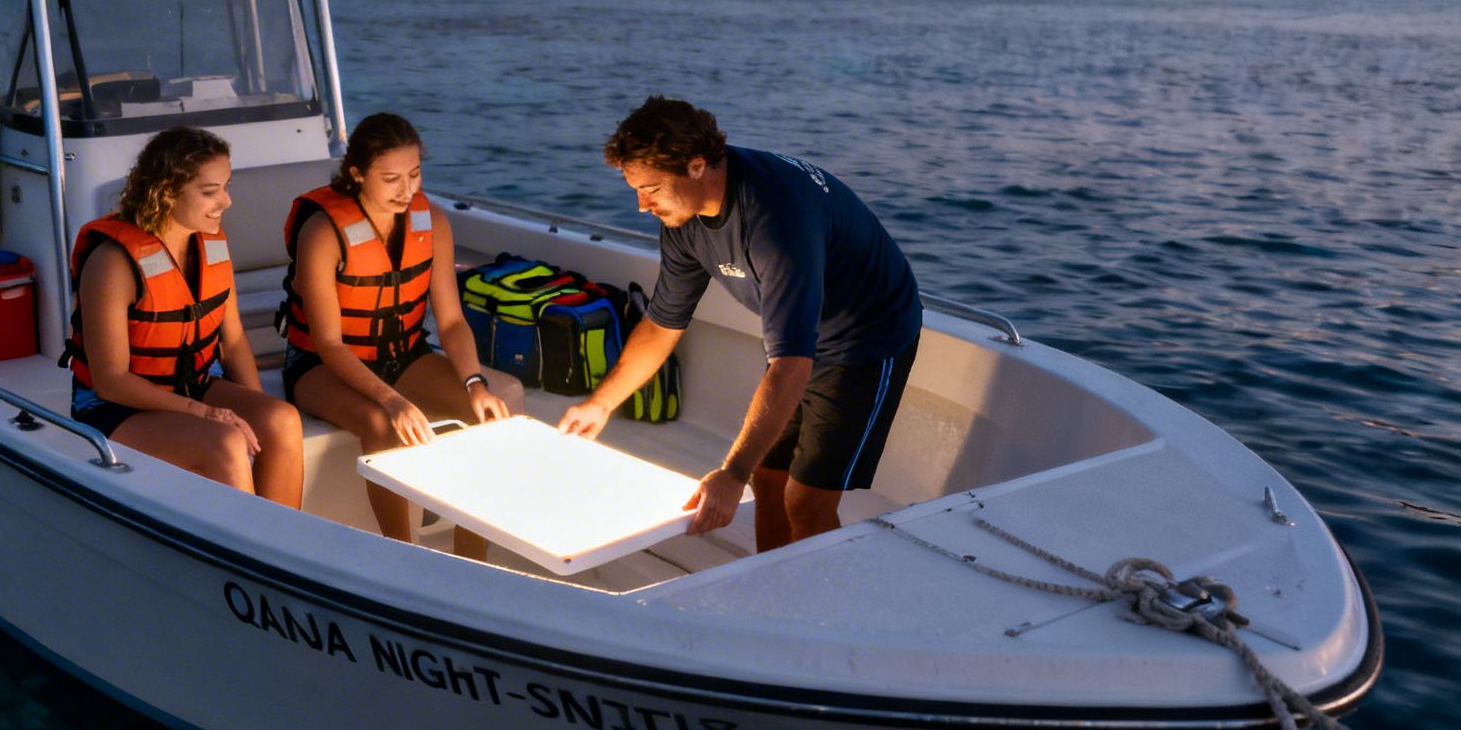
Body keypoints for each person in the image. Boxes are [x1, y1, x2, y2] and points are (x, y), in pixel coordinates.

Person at [559, 96, 922, 551]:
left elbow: (791, 366)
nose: (640, 205)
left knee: (806, 499)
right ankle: (774, 591)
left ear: (696, 166)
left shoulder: (777, 220)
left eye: (650, 189)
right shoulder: (683, 216)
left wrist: (730, 473)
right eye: (635, 189)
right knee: (768, 482)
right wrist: (601, 403)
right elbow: (662, 323)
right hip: (797, 336)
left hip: (866, 337)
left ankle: (828, 612)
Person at [280, 112, 522, 549]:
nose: (407, 190)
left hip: (403, 354)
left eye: (414, 174)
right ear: (356, 174)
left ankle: (473, 560)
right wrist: (394, 401)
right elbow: (329, 344)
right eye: (391, 178)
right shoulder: (323, 232)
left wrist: (475, 384)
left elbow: (449, 320)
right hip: (321, 365)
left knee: (488, 417)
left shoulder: (433, 222)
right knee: (380, 422)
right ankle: (403, 552)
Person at [65, 125, 303, 506]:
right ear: (166, 192)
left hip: (190, 386)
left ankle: (283, 539)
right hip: (116, 410)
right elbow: (110, 382)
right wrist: (206, 413)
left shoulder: (211, 244)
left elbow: (233, 340)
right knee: (226, 441)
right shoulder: (112, 263)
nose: (226, 202)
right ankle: (246, 553)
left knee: (282, 420)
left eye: (227, 187)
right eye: (211, 192)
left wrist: (253, 412)